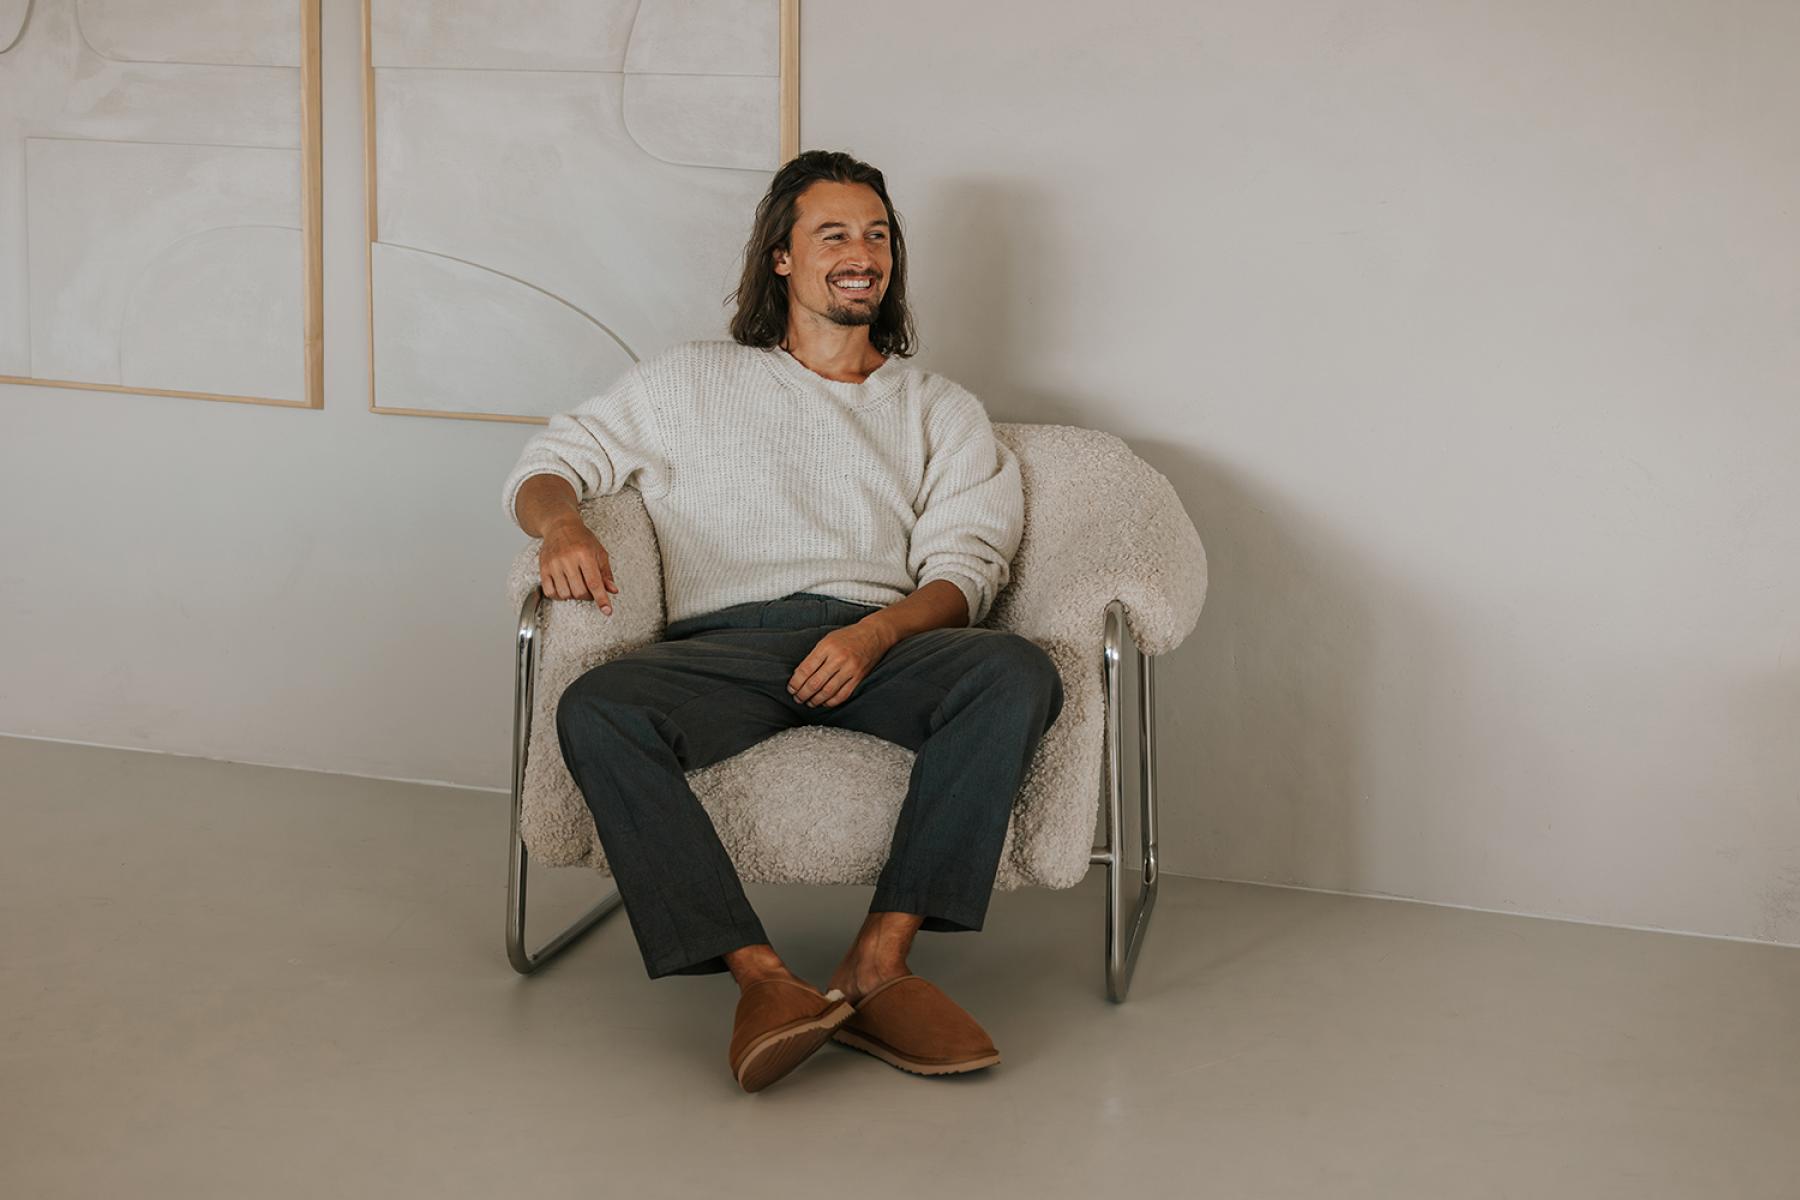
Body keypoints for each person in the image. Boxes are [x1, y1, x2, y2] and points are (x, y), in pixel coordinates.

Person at [500, 150, 1064, 1093]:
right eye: (833, 234)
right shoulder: (690, 380)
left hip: (881, 646)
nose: (861, 254)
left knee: (1015, 671)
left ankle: (878, 962)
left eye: (877, 235)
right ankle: (761, 979)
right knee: (599, 705)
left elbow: (967, 571)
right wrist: (561, 525)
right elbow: (551, 462)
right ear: (782, 257)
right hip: (725, 651)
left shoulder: (939, 409)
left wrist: (874, 636)